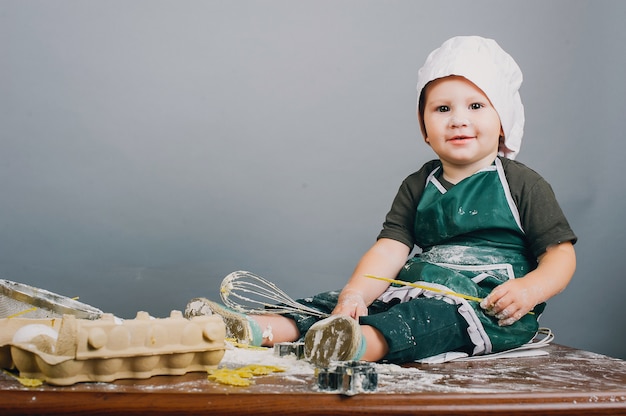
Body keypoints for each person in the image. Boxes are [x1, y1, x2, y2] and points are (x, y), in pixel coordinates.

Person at [186, 36, 577, 367]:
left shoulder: (522, 183)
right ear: (424, 128)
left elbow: (560, 257)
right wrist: (355, 294)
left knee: (423, 320)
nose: (458, 119)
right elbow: (391, 248)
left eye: (476, 106)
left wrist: (529, 290)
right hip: (422, 282)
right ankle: (255, 329)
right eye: (442, 109)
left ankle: (352, 346)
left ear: (503, 119)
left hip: (489, 307)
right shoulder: (419, 183)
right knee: (339, 304)